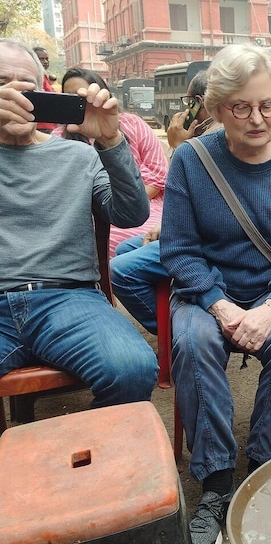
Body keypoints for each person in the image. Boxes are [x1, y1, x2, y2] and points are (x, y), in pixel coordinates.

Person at [159, 43, 271, 544]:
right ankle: (216, 479)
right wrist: (218, 302)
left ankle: (262, 465)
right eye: (241, 107)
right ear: (217, 108)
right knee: (194, 342)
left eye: (268, 105)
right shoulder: (192, 160)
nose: (257, 119)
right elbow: (178, 248)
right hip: (208, 289)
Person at [0, 38, 158, 410]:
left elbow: (131, 214)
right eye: (3, 85)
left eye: (26, 87)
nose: (16, 97)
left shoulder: (76, 155)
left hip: (68, 299)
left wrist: (111, 140)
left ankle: (77, 455)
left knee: (132, 369)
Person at [110, 70, 219, 334]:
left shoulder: (214, 136)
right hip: (192, 229)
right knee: (125, 249)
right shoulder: (200, 135)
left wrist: (179, 147)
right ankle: (178, 322)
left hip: (209, 240)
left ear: (198, 102)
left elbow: (195, 195)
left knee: (121, 270)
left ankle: (179, 336)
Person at [57, 67, 168, 257]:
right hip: (93, 216)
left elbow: (157, 173)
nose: (79, 104)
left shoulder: (132, 124)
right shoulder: (59, 138)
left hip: (145, 207)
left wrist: (130, 198)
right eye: (70, 97)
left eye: (83, 98)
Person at [32, 46, 57, 133]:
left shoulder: (44, 77)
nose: (45, 62)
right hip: (40, 127)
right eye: (41, 59)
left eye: (46, 59)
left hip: (51, 125)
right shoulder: (33, 77)